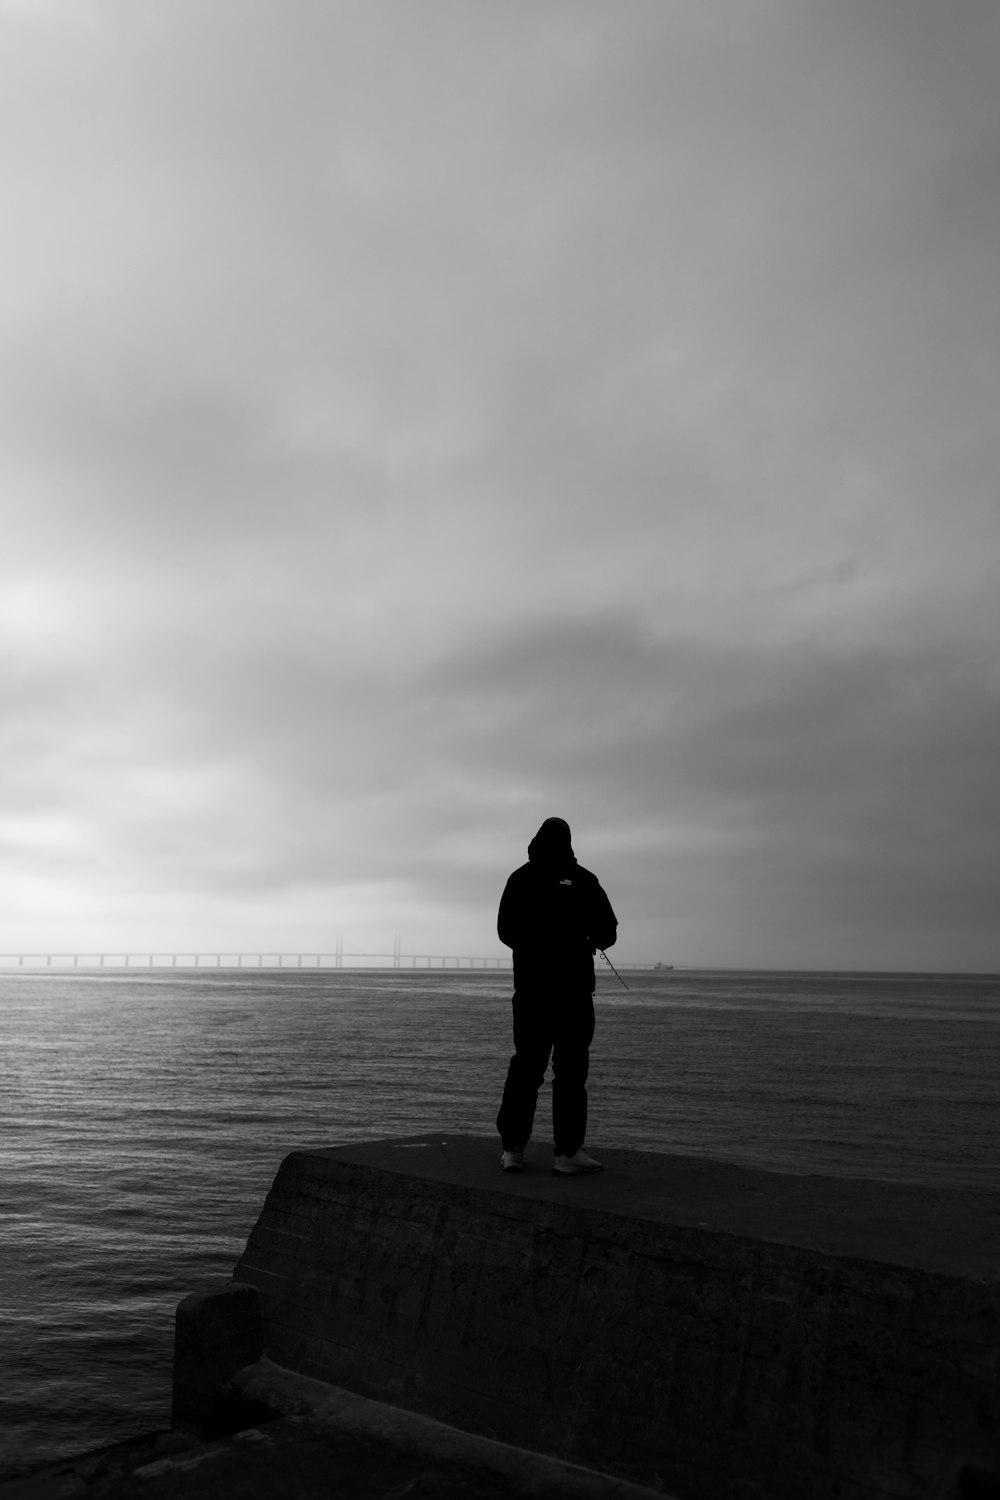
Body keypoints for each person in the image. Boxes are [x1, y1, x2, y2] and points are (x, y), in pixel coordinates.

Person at [495, 817, 618, 1175]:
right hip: (573, 992)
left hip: (531, 991)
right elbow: (608, 932)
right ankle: (567, 1152)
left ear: (536, 842)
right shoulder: (584, 880)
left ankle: (512, 1149)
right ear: (568, 843)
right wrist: (580, 939)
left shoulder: (520, 879)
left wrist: (535, 946)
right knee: (571, 1072)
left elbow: (505, 931)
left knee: (525, 1068)